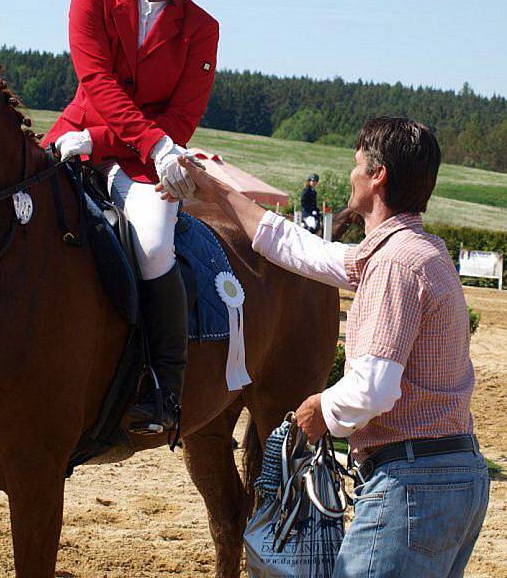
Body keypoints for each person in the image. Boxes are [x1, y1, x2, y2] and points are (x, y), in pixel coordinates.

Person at [166, 117, 490, 576]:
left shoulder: (393, 265)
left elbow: (373, 390)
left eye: (358, 164)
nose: (352, 173)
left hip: (411, 486)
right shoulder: (421, 250)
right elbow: (298, 247)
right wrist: (217, 191)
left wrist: (319, 409)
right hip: (454, 478)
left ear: (377, 177)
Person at [44, 0, 219, 435]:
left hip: (142, 166)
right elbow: (96, 82)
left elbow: (184, 115)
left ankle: (165, 388)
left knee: (152, 244)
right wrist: (110, 138)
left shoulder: (203, 29)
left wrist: (109, 142)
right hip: (75, 140)